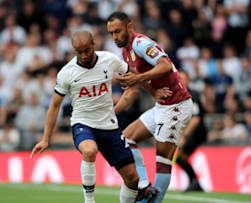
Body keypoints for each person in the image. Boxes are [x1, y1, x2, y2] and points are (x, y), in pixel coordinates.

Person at [31, 30, 158, 203]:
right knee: (90, 150)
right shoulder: (66, 73)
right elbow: (54, 106)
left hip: (109, 126)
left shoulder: (109, 59)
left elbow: (134, 75)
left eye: (86, 50)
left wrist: (154, 92)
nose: (83, 55)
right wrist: (46, 138)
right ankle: (89, 201)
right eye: (79, 52)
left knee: (133, 179)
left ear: (93, 44)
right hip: (83, 123)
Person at [107, 12, 195, 203]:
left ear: (129, 27)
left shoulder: (141, 44)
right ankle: (143, 186)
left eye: (117, 31)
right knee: (126, 137)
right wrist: (111, 114)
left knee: (162, 158)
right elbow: (133, 90)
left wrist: (138, 78)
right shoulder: (125, 52)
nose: (114, 37)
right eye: (111, 33)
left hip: (177, 105)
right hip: (161, 106)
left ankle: (152, 201)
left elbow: (165, 65)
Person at [175, 71, 206, 192]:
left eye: (184, 78)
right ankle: (195, 183)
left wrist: (184, 136)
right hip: (187, 132)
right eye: (179, 78)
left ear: (188, 80)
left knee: (181, 157)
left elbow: (196, 119)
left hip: (197, 131)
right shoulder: (177, 95)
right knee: (181, 158)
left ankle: (195, 182)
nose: (181, 80)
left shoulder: (193, 95)